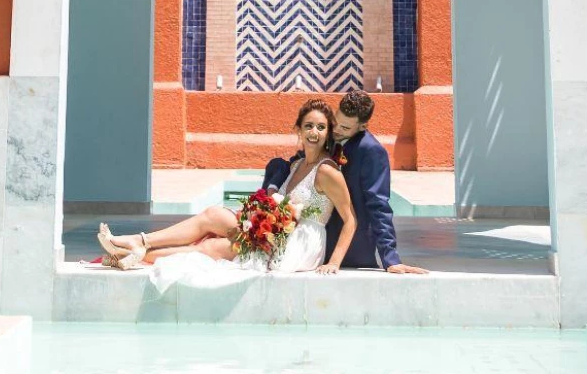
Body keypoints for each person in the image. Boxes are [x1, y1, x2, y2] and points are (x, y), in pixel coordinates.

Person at [97, 98, 357, 287]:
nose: (314, 133)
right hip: (277, 232)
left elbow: (350, 219)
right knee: (212, 214)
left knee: (213, 247)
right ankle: (141, 242)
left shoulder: (327, 171)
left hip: (300, 244)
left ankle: (129, 254)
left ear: (327, 133)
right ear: (298, 130)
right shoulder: (298, 164)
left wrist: (333, 262)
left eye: (321, 128)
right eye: (309, 126)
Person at [321, 90, 427, 273]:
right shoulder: (327, 137)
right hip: (321, 243)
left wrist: (390, 258)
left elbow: (378, 205)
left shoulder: (372, 151)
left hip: (354, 251)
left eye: (345, 128)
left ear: (362, 126)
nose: (337, 129)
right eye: (336, 122)